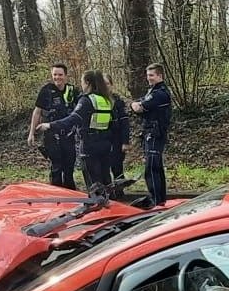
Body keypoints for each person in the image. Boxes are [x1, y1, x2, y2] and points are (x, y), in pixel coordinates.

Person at [43, 70, 121, 189]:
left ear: (88, 83)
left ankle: (98, 204)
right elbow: (114, 124)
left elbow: (73, 119)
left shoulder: (87, 100)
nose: (82, 85)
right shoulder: (106, 100)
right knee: (106, 180)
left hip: (90, 145)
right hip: (105, 144)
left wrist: (50, 125)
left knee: (94, 183)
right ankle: (111, 202)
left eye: (82, 82)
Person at [27, 63, 79, 190]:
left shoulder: (72, 90)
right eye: (55, 74)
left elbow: (80, 112)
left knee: (69, 168)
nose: (57, 77)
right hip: (51, 136)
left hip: (69, 135)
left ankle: (70, 195)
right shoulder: (46, 91)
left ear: (66, 76)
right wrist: (31, 133)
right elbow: (37, 112)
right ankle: (56, 195)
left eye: (60, 75)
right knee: (56, 167)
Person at [130, 63, 173, 206]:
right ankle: (159, 199)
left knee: (152, 168)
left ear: (160, 76)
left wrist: (135, 105)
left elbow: (140, 107)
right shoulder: (153, 92)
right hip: (151, 132)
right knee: (156, 167)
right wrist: (136, 104)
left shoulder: (159, 93)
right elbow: (140, 103)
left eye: (152, 75)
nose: (149, 78)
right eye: (148, 75)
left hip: (155, 133)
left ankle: (156, 199)